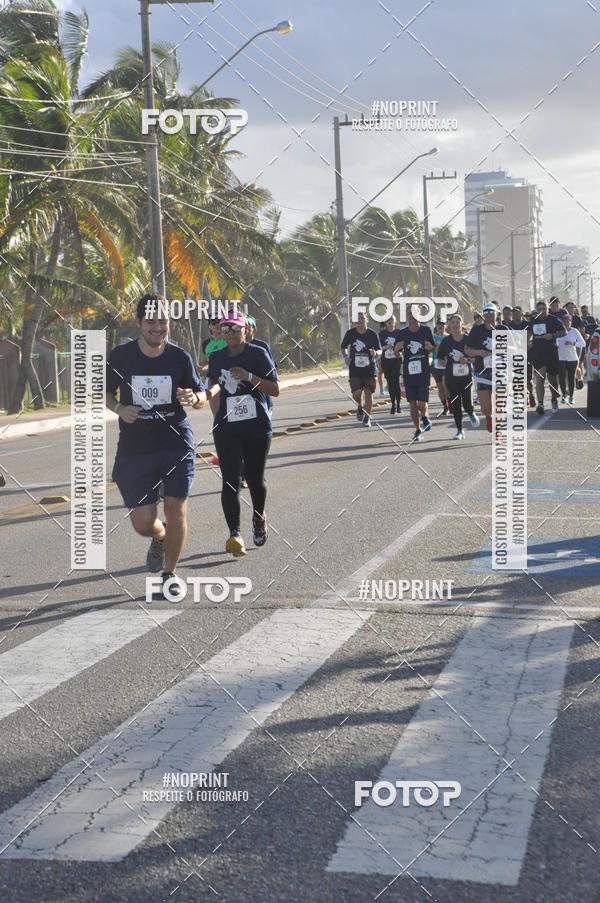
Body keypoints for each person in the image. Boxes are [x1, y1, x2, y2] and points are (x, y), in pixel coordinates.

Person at [106, 294, 207, 599]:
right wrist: (119, 409)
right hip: (136, 448)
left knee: (176, 508)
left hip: (175, 442)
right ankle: (159, 536)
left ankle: (170, 574)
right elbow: (104, 392)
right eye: (151, 321)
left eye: (162, 321)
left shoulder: (179, 357)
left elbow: (200, 394)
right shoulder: (121, 356)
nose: (157, 327)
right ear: (138, 322)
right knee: (142, 523)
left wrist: (195, 399)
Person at [206, 311, 279, 557]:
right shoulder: (216, 357)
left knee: (255, 480)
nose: (229, 333)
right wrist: (216, 418)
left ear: (245, 330)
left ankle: (258, 516)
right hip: (228, 429)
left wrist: (249, 377)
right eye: (225, 329)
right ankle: (235, 534)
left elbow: (275, 389)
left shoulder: (257, 354)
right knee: (230, 481)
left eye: (234, 329)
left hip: (257, 426)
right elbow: (214, 387)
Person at [394, 306, 435, 442]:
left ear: (419, 314)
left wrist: (430, 348)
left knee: (422, 404)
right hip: (409, 373)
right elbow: (396, 351)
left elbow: (432, 348)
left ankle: (424, 416)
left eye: (414, 312)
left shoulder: (426, 330)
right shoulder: (402, 333)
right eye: (408, 313)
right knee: (412, 404)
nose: (411, 315)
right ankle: (418, 430)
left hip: (423, 371)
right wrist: (397, 349)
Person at [437, 314, 480, 439]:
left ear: (462, 324)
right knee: (455, 404)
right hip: (451, 378)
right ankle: (460, 431)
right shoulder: (446, 341)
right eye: (453, 323)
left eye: (457, 322)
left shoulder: (469, 339)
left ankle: (471, 413)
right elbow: (439, 360)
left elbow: (476, 358)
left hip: (466, 377)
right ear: (449, 326)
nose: (455, 325)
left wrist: (466, 360)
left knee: (467, 404)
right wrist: (450, 363)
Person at [465, 303, 504, 433]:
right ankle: (489, 417)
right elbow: (467, 349)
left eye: (492, 313)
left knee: (500, 404)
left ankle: (497, 429)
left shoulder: (503, 329)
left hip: (500, 371)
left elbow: (515, 348)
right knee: (486, 408)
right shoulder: (477, 330)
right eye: (486, 313)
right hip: (482, 372)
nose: (489, 315)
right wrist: (479, 353)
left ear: (497, 314)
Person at [341, 311, 381, 427]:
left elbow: (380, 350)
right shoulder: (350, 334)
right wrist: (346, 357)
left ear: (366, 319)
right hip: (355, 369)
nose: (359, 320)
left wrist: (375, 352)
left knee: (368, 394)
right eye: (357, 318)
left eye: (362, 318)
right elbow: (343, 347)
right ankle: (359, 406)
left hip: (369, 369)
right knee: (356, 394)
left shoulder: (373, 334)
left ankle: (367, 418)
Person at [527, 298, 566, 415]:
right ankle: (540, 404)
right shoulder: (533, 320)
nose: (542, 311)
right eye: (540, 309)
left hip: (551, 353)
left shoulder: (554, 320)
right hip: (537, 354)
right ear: (536, 310)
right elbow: (529, 332)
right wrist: (528, 341)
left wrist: (553, 335)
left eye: (544, 309)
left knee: (552, 379)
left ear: (548, 310)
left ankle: (554, 400)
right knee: (540, 378)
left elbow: (564, 332)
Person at [557, 313, 586, 404]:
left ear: (571, 322)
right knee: (562, 377)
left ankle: (571, 397)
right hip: (561, 357)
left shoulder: (574, 331)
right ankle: (564, 395)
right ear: (562, 322)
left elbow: (583, 343)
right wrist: (556, 345)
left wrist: (572, 343)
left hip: (572, 358)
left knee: (571, 378)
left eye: (568, 321)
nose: (566, 322)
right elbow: (556, 341)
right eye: (564, 321)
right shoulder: (559, 331)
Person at [378, 314, 403, 414]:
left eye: (391, 319)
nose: (389, 321)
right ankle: (392, 404)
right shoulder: (381, 334)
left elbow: (402, 346)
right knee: (390, 383)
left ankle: (398, 405)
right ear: (385, 322)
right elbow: (378, 347)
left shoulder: (399, 332)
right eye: (387, 320)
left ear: (395, 321)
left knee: (396, 382)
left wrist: (397, 347)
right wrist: (385, 347)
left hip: (396, 360)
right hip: (386, 361)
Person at [511, 307, 534, 407]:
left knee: (527, 379)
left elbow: (528, 339)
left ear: (521, 314)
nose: (515, 315)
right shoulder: (509, 326)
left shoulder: (527, 325)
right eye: (513, 313)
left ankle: (531, 394)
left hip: (526, 354)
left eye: (517, 313)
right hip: (513, 355)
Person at [431, 317, 450, 416]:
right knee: (440, 387)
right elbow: (428, 350)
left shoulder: (448, 337)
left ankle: (450, 405)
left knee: (445, 386)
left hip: (446, 365)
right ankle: (445, 407)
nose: (441, 326)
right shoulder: (432, 337)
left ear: (445, 326)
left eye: (442, 324)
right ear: (436, 326)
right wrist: (433, 346)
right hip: (436, 365)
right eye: (439, 324)